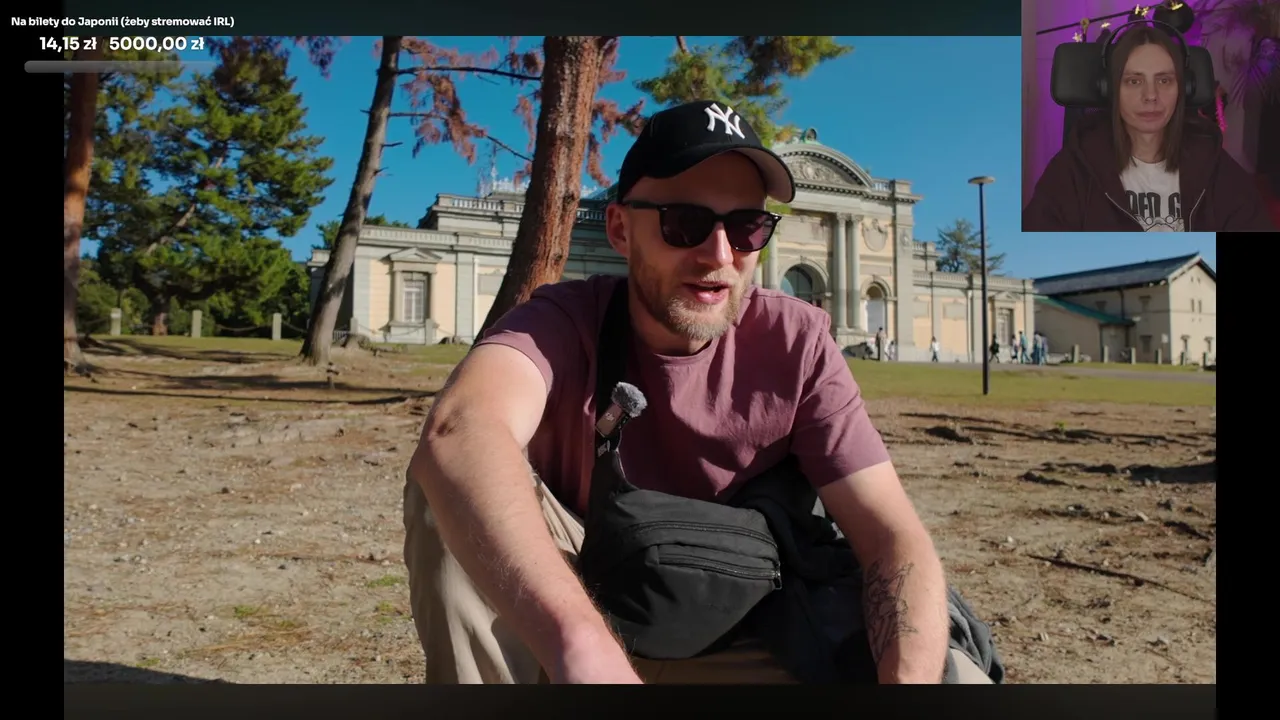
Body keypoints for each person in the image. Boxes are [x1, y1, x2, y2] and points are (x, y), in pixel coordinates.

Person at [403, 100, 996, 685]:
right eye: (683, 222)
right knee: (455, 495)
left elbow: (893, 538)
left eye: (747, 227)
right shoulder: (564, 321)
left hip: (753, 623)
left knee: (950, 673)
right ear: (620, 229)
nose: (719, 256)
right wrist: (579, 643)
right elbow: (462, 430)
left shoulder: (799, 342)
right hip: (580, 612)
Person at [1023, 24, 1274, 232]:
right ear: (1110, 89)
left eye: (1164, 80)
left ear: (1183, 89)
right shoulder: (1073, 169)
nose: (1151, 95)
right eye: (1134, 81)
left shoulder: (1214, 165)